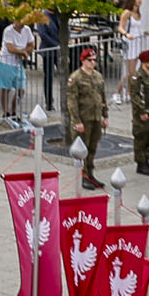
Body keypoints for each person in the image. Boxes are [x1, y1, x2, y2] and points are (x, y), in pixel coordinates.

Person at [65, 48, 106, 190]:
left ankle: (90, 174)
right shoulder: (75, 78)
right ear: (83, 61)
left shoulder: (98, 76)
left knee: (92, 148)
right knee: (83, 148)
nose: (93, 63)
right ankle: (83, 176)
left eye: (95, 60)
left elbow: (102, 98)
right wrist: (77, 121)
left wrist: (105, 116)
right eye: (90, 60)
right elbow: (72, 101)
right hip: (84, 118)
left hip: (95, 117)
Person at [129, 49, 149, 176]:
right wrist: (142, 111)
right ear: (144, 62)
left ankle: (147, 161)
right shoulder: (137, 77)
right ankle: (140, 164)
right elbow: (135, 96)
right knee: (140, 138)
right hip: (141, 113)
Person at [0, 13, 35, 120]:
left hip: (18, 62)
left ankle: (13, 109)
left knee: (21, 88)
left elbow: (31, 44)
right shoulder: (8, 31)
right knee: (5, 88)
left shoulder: (27, 30)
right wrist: (22, 52)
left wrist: (23, 52)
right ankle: (6, 112)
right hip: (6, 62)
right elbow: (10, 48)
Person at [114, 3, 142, 103]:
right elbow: (120, 27)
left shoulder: (138, 13)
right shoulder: (127, 13)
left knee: (133, 71)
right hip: (129, 43)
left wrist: (146, 32)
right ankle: (118, 93)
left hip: (137, 42)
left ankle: (129, 93)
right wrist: (127, 34)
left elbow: (138, 29)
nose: (139, 1)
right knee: (130, 72)